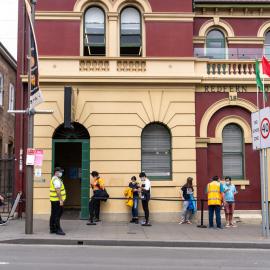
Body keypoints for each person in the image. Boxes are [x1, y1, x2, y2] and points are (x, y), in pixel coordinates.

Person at [49, 167, 66, 235]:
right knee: (57, 215)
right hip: (57, 200)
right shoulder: (56, 180)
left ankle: (52, 228)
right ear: (56, 172)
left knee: (53, 214)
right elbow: (58, 191)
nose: (61, 173)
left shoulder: (55, 179)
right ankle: (58, 229)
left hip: (54, 200)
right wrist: (61, 200)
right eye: (60, 172)